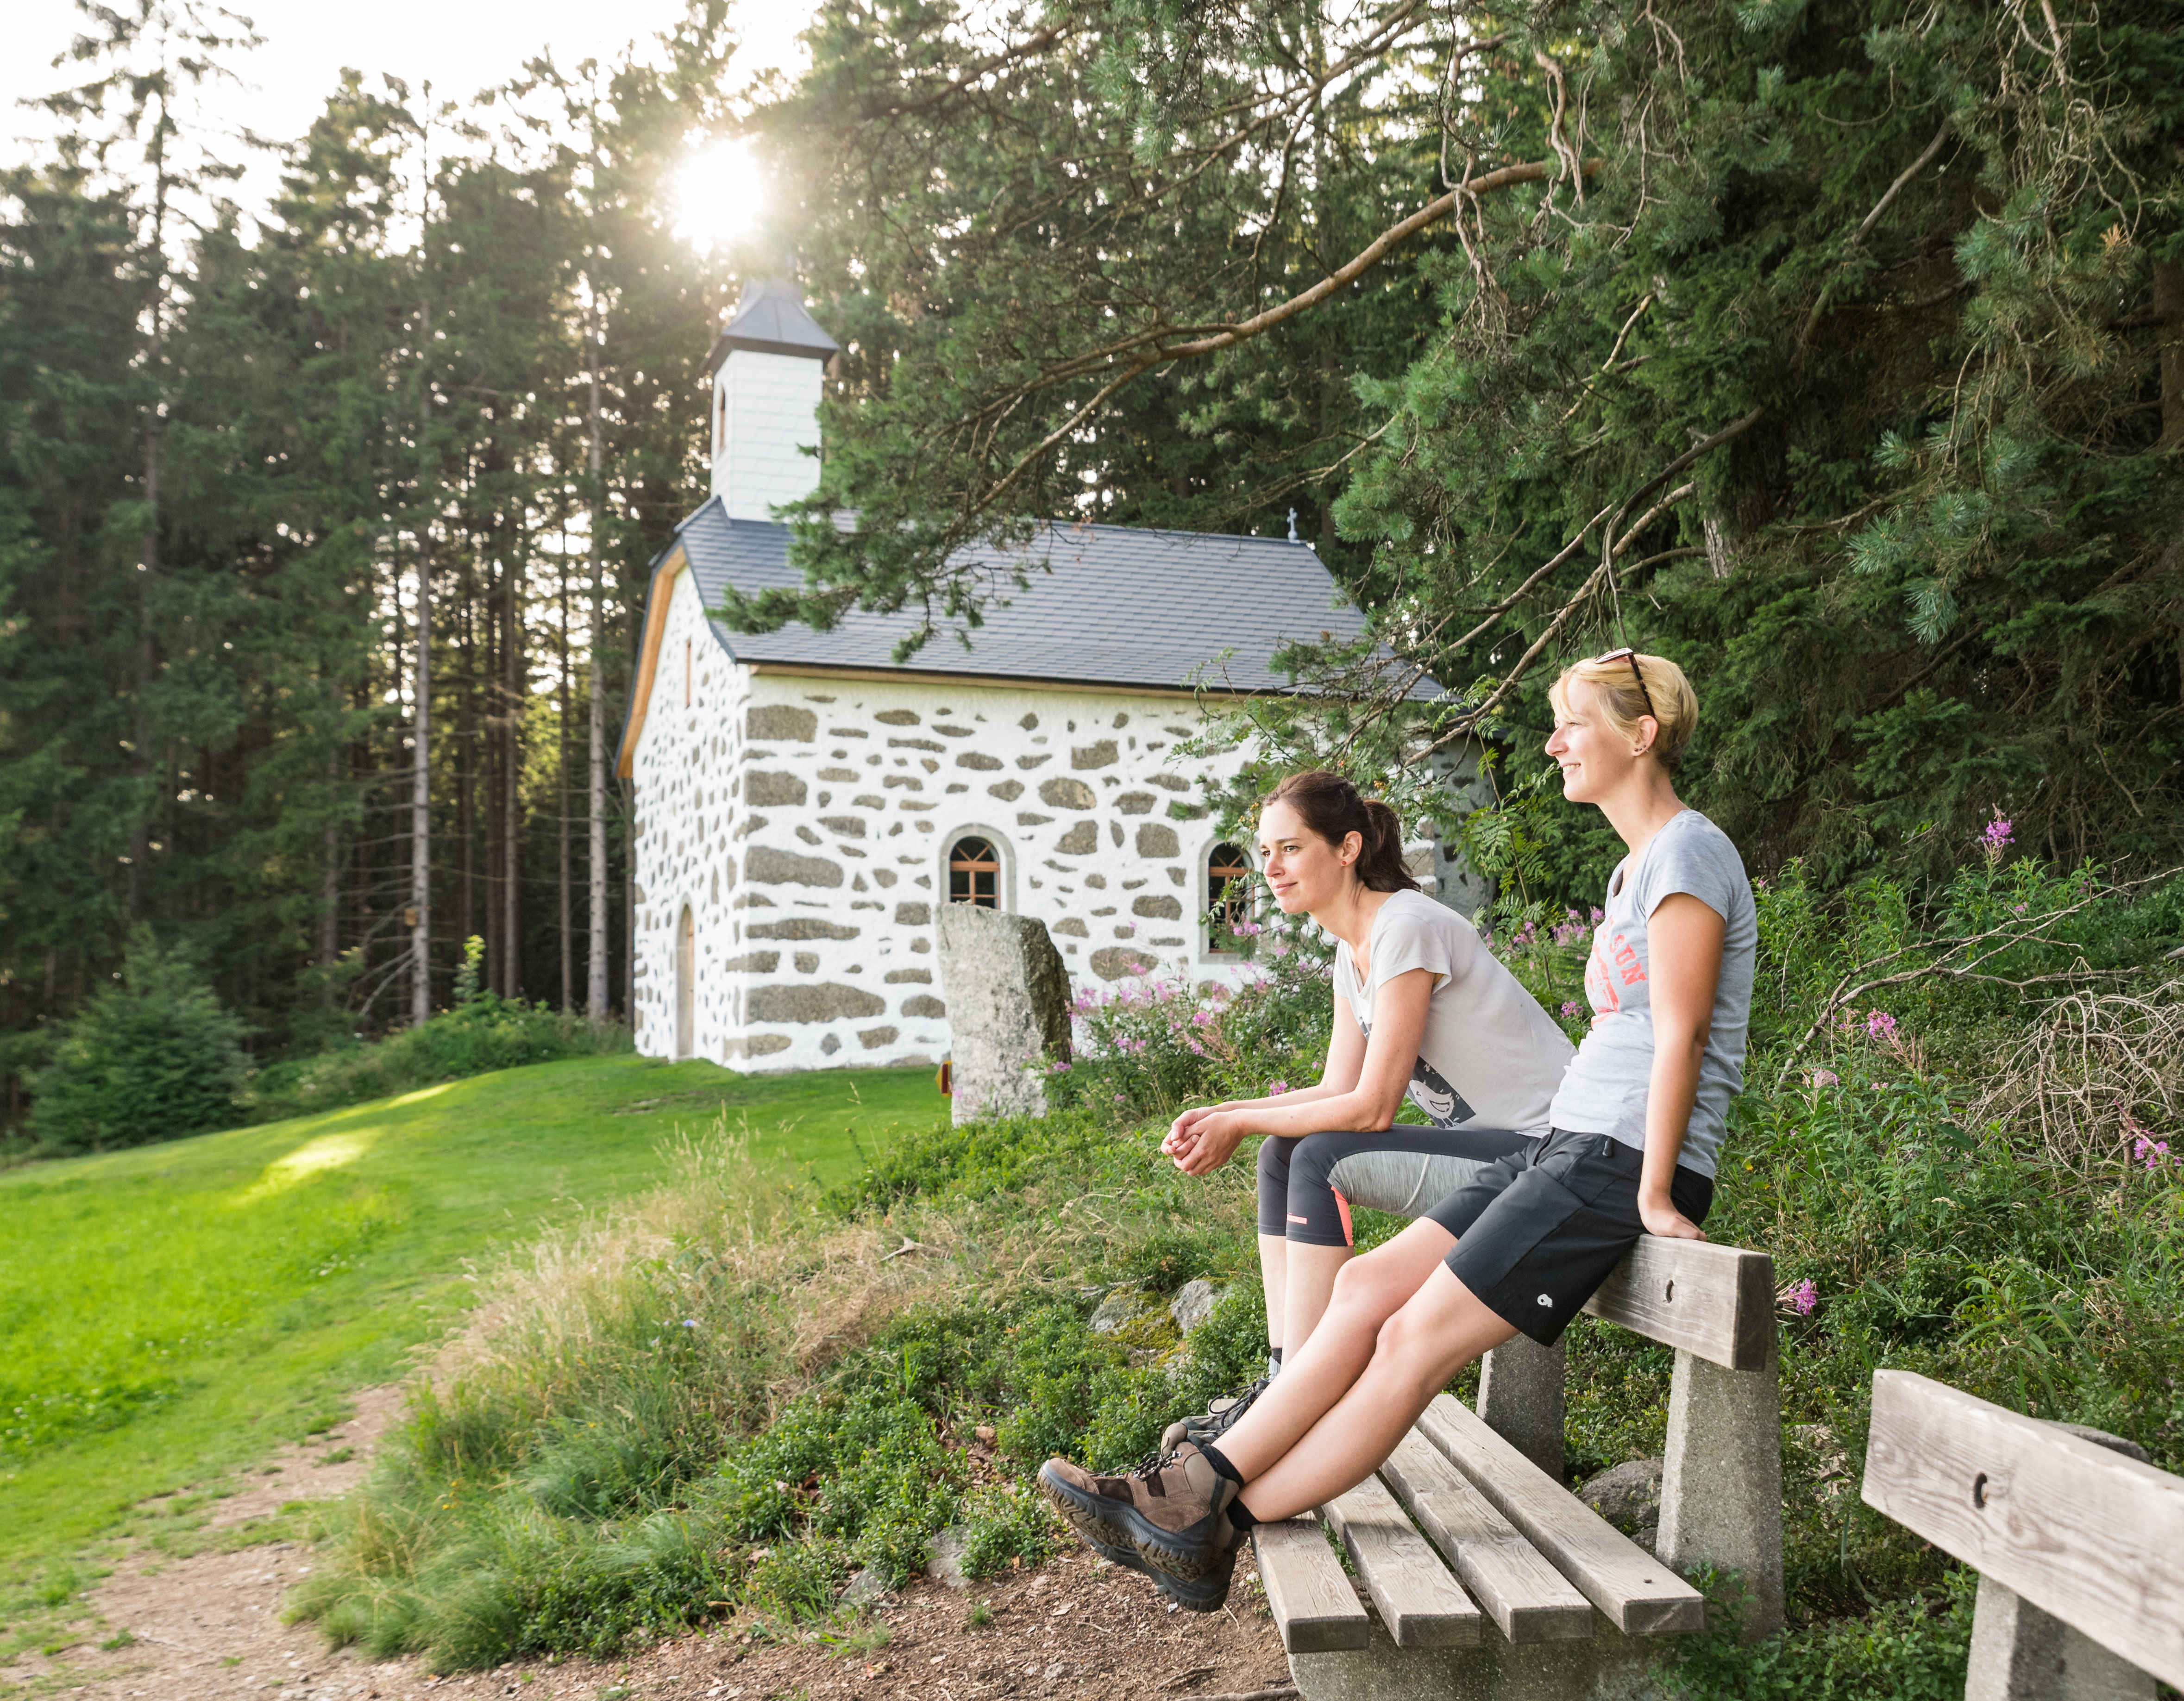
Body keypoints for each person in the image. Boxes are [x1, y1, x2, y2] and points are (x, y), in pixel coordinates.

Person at [1041, 650, 1756, 1612]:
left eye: (1572, 723)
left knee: (1414, 1338)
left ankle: (1214, 1519)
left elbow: (1684, 1032)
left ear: (1642, 734)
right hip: (1571, 1148)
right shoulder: (1635, 869)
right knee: (1374, 1283)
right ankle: (1200, 1482)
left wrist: (1658, 1192)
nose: (1552, 743)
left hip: (1613, 1163)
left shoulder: (1688, 851)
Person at [1156, 770, 1576, 1452]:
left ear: (1347, 847)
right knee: (1284, 1151)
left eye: (1290, 848)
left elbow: (1371, 1107)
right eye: (1265, 851)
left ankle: (1296, 1400)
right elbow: (1333, 1089)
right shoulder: (1350, 954)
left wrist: (1237, 1119)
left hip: (1546, 1157)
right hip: (1495, 1157)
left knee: (1321, 1155)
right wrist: (1224, 1111)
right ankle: (1280, 1380)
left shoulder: (1404, 926)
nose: (1271, 867)